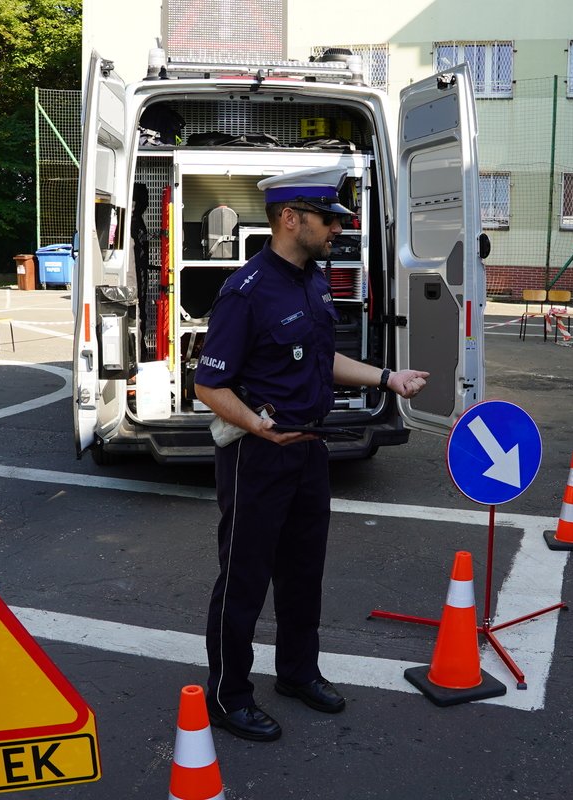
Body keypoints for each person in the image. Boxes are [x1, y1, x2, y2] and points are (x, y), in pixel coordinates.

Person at [192, 166, 430, 741]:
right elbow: (207, 384)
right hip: (259, 454)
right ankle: (228, 695)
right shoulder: (245, 292)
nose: (337, 231)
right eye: (329, 220)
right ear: (291, 218)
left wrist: (386, 378)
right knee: (244, 578)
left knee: (303, 572)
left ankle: (297, 672)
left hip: (309, 450)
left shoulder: (314, 281)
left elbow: (321, 361)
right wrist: (256, 426)